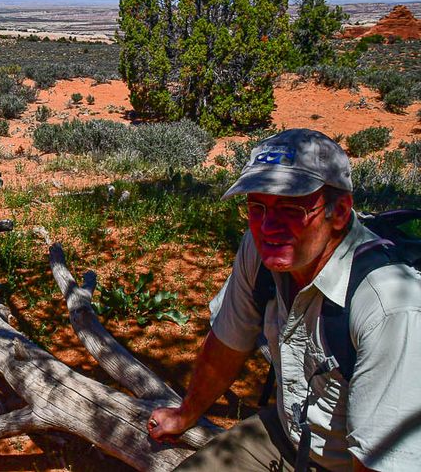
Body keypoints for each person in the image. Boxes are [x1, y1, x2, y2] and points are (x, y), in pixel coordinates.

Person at [148, 129, 421, 471]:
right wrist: (185, 413)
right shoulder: (259, 251)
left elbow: (379, 461)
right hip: (290, 434)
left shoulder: (387, 307)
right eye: (257, 208)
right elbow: (227, 343)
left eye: (292, 209)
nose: (269, 227)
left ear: (339, 213)